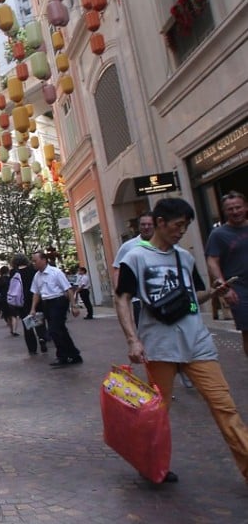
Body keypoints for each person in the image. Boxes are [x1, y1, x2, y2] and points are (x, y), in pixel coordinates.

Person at [114, 197, 248, 485]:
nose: (180, 231)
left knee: (225, 406)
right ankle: (152, 466)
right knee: (157, 413)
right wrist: (132, 340)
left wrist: (213, 292)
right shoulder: (135, 257)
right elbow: (122, 298)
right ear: (160, 223)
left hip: (197, 343)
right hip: (159, 346)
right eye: (177, 225)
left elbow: (193, 296)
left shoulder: (184, 258)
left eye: (185, 227)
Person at [207, 191, 248, 355]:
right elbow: (212, 260)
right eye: (230, 209)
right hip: (240, 290)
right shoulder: (218, 234)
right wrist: (224, 286)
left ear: (245, 207)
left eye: (238, 207)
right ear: (224, 211)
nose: (235, 211)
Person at [30, 250, 82, 367]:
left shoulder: (56, 272)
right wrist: (33, 308)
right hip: (46, 303)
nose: (34, 263)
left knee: (54, 330)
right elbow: (36, 293)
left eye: (35, 261)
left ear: (43, 260)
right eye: (33, 261)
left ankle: (62, 356)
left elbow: (68, 289)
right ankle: (74, 354)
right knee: (60, 330)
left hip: (58, 302)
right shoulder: (37, 276)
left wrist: (74, 306)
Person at [113, 214, 155, 326]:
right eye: (143, 224)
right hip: (138, 298)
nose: (146, 227)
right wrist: (119, 293)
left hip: (159, 294)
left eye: (149, 224)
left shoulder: (164, 244)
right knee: (143, 327)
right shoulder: (128, 246)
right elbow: (117, 268)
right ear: (138, 226)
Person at [12, 254, 48, 354]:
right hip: (35, 298)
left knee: (27, 326)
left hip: (22, 301)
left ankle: (32, 348)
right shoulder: (33, 270)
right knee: (39, 321)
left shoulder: (14, 273)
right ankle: (42, 338)